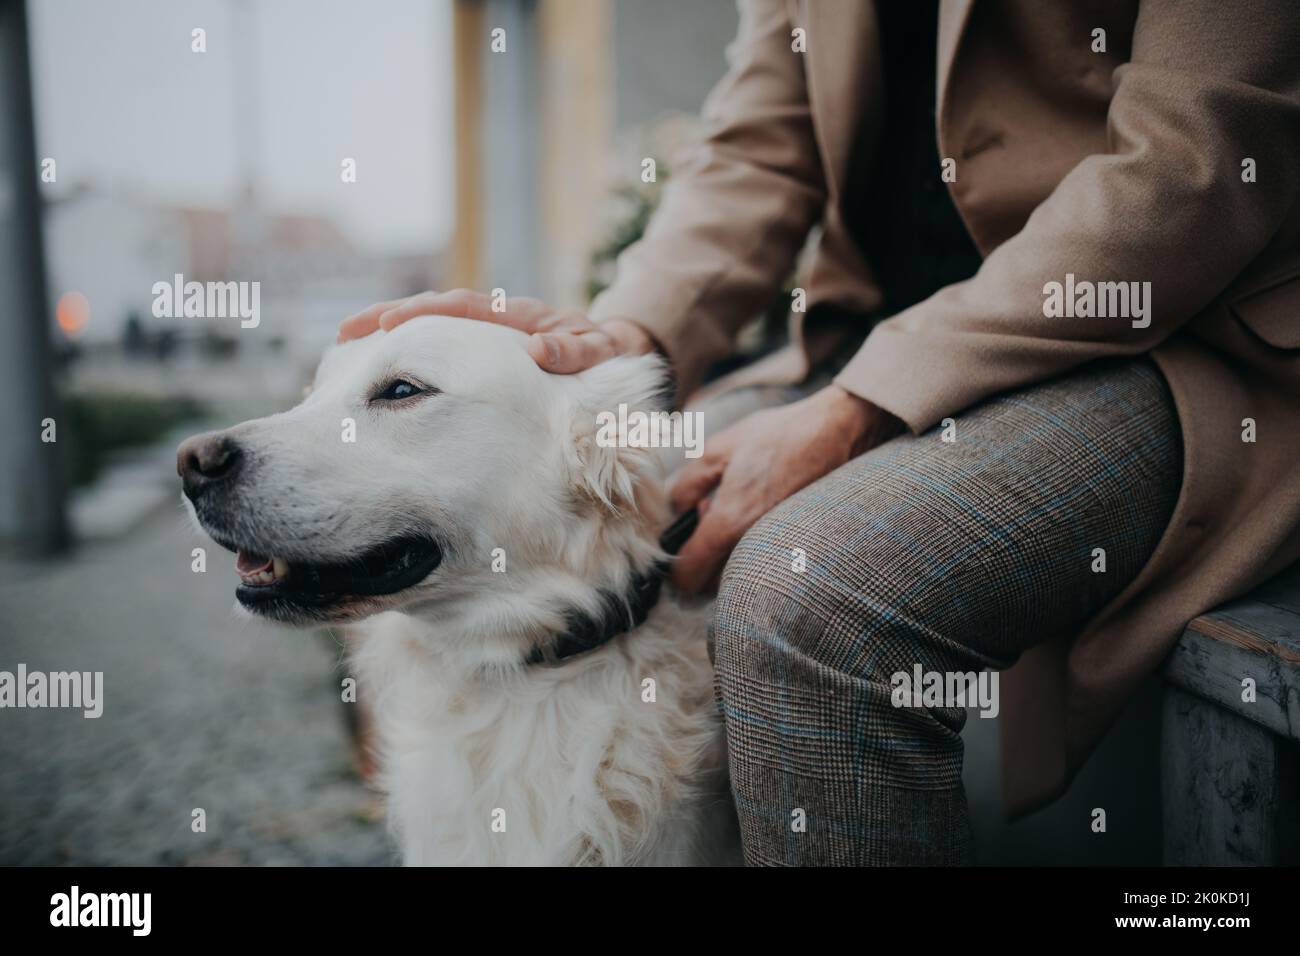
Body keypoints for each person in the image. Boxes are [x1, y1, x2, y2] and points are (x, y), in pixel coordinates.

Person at [339, 0, 1300, 865]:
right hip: (856, 344)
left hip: (1165, 348)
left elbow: (1190, 170)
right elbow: (760, 150)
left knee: (812, 597)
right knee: (586, 509)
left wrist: (857, 409)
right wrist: (617, 337)